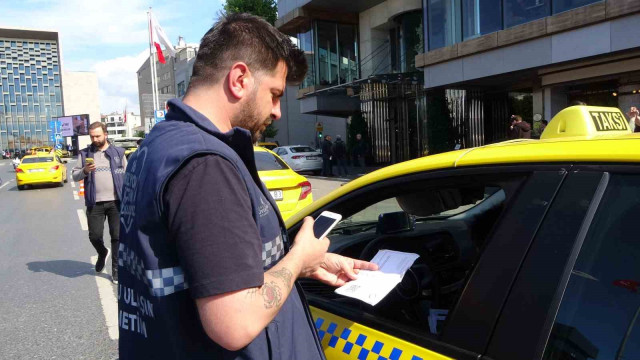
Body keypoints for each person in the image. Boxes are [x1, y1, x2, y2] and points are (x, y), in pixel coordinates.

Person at [117, 13, 377, 359]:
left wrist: (312, 263)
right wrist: (299, 258)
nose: (277, 111)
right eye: (274, 94)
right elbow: (234, 321)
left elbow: (209, 266)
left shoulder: (156, 146)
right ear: (240, 79)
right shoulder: (206, 165)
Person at [72, 122, 126, 284]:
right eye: (92, 136)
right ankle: (102, 252)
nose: (94, 139)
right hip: (94, 203)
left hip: (116, 202)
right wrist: (85, 171)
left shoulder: (118, 152)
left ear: (105, 134)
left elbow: (128, 173)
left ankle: (116, 269)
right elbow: (75, 176)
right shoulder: (85, 153)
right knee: (94, 236)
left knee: (117, 237)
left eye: (97, 136)